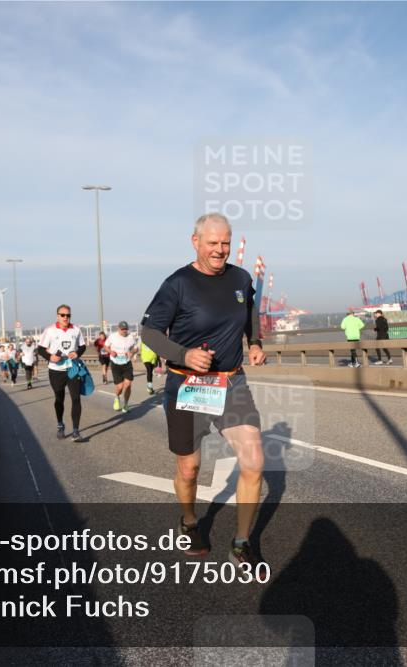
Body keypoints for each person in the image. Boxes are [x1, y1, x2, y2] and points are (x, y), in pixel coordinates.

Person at [141, 212, 266, 568]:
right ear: (195, 242)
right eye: (212, 243)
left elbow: (250, 308)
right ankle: (189, 520)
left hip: (230, 381)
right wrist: (184, 354)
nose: (220, 250)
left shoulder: (240, 278)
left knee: (254, 461)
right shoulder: (177, 284)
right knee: (190, 468)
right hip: (186, 385)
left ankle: (241, 543)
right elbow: (149, 333)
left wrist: (254, 341)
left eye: (225, 242)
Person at [38, 305, 87, 442]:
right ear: (57, 316)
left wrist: (77, 353)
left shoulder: (76, 329)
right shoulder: (50, 330)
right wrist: (50, 357)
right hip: (56, 370)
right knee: (59, 399)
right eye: (63, 315)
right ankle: (60, 424)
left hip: (72, 368)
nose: (66, 318)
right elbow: (40, 349)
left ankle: (76, 431)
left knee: (76, 398)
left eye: (68, 315)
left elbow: (82, 346)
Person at [107, 321, 138, 412]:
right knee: (120, 387)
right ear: (118, 329)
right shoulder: (113, 336)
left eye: (125, 329)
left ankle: (126, 405)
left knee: (128, 385)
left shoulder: (130, 337)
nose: (124, 331)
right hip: (115, 364)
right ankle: (116, 397)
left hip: (127, 364)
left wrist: (132, 352)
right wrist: (110, 352)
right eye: (122, 329)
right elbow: (105, 346)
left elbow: (136, 348)